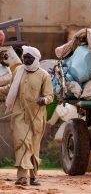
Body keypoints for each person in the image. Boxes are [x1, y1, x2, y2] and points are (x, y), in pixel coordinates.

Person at [5, 45, 53, 186]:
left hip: (36, 116)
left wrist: (44, 100)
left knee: (33, 146)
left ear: (36, 59)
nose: (26, 60)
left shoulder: (44, 75)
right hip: (19, 114)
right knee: (22, 143)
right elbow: (10, 88)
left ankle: (33, 177)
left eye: (29, 58)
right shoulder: (18, 71)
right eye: (24, 58)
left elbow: (50, 95)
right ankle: (21, 177)